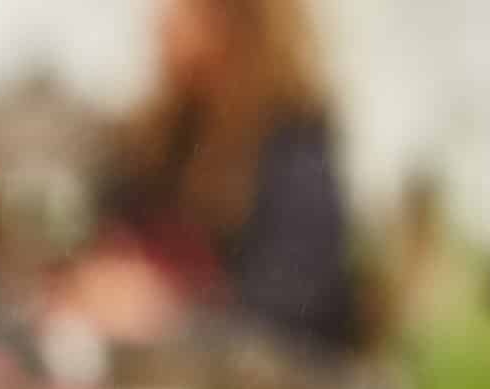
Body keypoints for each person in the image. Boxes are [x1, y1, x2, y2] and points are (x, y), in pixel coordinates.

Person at [49, 0, 358, 354]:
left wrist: (168, 317)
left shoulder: (296, 152)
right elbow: (102, 244)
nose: (162, 19)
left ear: (235, 22)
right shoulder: (157, 140)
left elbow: (289, 317)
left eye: (185, 8)